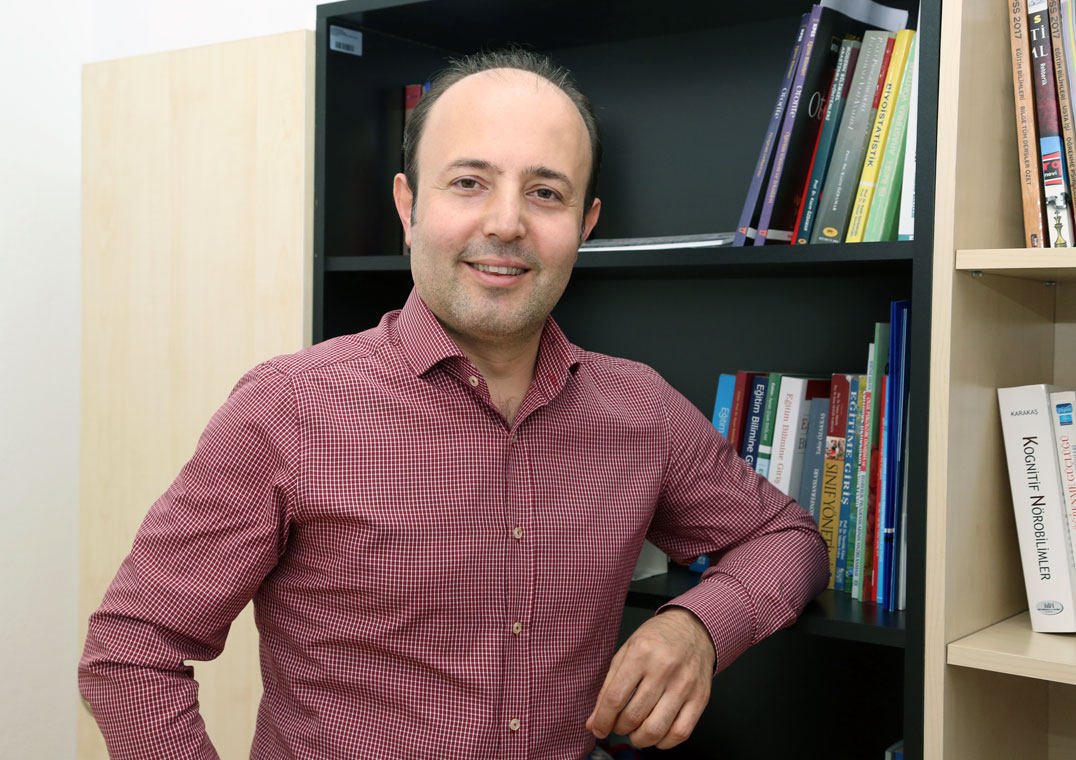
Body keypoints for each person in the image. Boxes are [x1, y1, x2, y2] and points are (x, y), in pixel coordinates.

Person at [79, 48, 829, 759]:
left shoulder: (640, 409)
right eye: (469, 182)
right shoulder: (289, 409)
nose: (505, 223)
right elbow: (131, 650)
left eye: (545, 192)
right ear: (408, 205)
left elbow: (787, 539)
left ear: (585, 225)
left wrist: (698, 627)